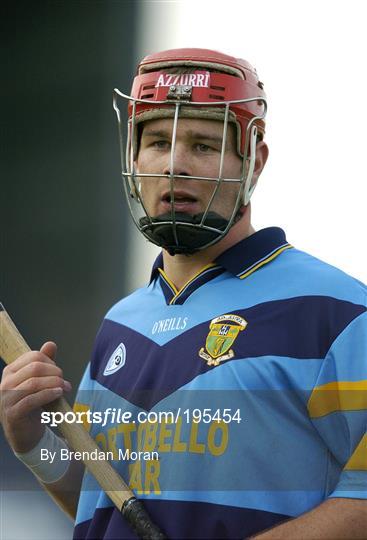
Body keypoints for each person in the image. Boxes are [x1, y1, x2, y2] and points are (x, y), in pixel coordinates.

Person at [1, 48, 366, 540]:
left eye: (202, 145)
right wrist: (30, 441)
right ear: (133, 155)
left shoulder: (339, 313)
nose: (174, 165)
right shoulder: (122, 323)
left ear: (253, 160)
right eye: (157, 141)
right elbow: (101, 499)